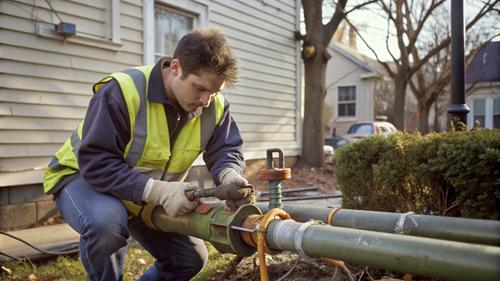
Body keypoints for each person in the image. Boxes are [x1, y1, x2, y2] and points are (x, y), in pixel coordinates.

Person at [43, 27, 252, 281]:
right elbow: (96, 162)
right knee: (106, 225)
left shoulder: (214, 107)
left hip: (142, 191)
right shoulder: (122, 91)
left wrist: (230, 173)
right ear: (175, 67)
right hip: (83, 179)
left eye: (214, 92)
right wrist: (158, 191)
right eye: (199, 88)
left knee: (191, 259)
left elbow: (225, 148)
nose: (206, 100)